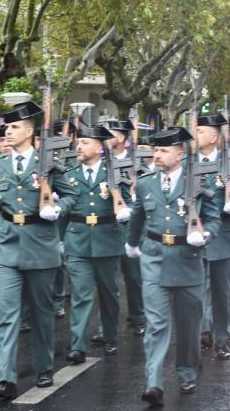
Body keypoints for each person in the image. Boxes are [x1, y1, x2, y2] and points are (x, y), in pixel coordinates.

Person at [0, 100, 74, 398]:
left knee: (42, 313)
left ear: (30, 131)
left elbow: (71, 196)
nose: (9, 131)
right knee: (6, 313)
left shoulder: (49, 164)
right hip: (6, 246)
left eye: (15, 127)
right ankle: (6, 377)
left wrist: (55, 207)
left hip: (40, 244)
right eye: (8, 127)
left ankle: (43, 368)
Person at [126, 127, 220, 405]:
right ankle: (153, 382)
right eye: (155, 150)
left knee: (189, 325)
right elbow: (137, 217)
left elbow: (214, 219)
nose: (157, 155)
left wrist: (204, 235)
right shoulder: (145, 183)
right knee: (156, 323)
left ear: (180, 154)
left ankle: (187, 371)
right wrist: (132, 244)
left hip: (188, 259)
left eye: (164, 150)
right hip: (154, 257)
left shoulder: (199, 181)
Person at [62, 125, 128, 365]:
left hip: (107, 239)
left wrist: (124, 211)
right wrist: (60, 240)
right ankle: (77, 345)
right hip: (77, 240)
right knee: (80, 294)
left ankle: (110, 336)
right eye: (78, 143)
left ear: (100, 147)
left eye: (85, 142)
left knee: (109, 293)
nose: (79, 147)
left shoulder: (115, 174)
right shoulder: (69, 176)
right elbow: (63, 212)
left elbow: (129, 202)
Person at [195, 114, 230, 360]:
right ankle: (202, 331)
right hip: (194, 236)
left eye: (200, 130)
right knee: (197, 289)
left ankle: (221, 337)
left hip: (222, 236)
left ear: (214, 137)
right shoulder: (187, 162)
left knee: (222, 292)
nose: (195, 134)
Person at [105, 119, 147, 336]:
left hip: (130, 226)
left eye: (110, 134)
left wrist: (132, 202)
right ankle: (107, 326)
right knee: (107, 279)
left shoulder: (138, 163)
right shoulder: (103, 162)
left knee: (133, 276)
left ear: (121, 138)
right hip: (106, 226)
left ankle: (138, 316)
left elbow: (147, 194)